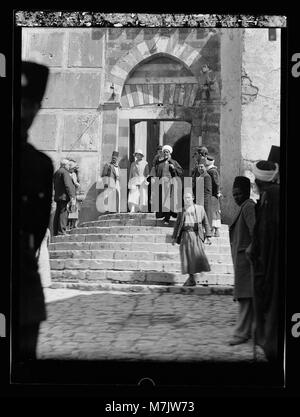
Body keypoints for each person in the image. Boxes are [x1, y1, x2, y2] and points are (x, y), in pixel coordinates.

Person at [18, 61, 54, 360]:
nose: (21, 113)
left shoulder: (40, 166)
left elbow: (38, 224)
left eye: (29, 105)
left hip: (21, 279)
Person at [248, 160, 280, 362]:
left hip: (271, 263)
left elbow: (268, 233)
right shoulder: (268, 196)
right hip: (266, 261)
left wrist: (256, 251)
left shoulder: (272, 197)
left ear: (258, 182)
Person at [228, 176, 256, 346]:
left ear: (246, 192)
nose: (236, 197)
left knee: (245, 298)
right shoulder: (244, 207)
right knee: (247, 298)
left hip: (246, 262)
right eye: (234, 194)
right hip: (241, 262)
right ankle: (252, 331)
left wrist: (249, 251)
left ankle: (241, 333)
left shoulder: (248, 207)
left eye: (239, 193)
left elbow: (255, 232)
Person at [172, 191, 212, 286]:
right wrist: (174, 237)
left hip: (196, 235)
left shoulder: (200, 209)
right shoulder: (182, 210)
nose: (186, 200)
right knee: (187, 257)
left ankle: (203, 277)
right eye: (185, 198)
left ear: (193, 198)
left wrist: (208, 236)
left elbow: (205, 222)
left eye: (188, 198)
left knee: (199, 255)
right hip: (185, 236)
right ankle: (191, 278)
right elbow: (177, 224)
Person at [149, 144, 183, 224]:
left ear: (170, 153)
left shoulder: (174, 162)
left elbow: (180, 172)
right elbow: (156, 171)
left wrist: (173, 168)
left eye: (167, 152)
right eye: (164, 152)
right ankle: (165, 217)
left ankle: (168, 218)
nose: (165, 153)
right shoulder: (159, 163)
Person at [53, 159, 76, 235]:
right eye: (68, 165)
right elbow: (68, 185)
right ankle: (62, 231)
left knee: (57, 214)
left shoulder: (57, 172)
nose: (69, 166)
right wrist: (72, 196)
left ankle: (56, 231)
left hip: (58, 196)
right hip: (64, 196)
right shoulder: (65, 172)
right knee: (63, 213)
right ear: (64, 165)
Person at [192, 156, 212, 229]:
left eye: (202, 167)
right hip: (199, 199)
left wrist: (201, 201)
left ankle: (208, 231)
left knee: (206, 216)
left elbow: (207, 191)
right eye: (199, 167)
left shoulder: (207, 176)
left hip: (204, 200)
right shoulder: (200, 176)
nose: (200, 169)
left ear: (205, 167)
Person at [206, 156, 222, 237]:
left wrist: (217, 192)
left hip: (213, 195)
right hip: (212, 194)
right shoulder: (209, 170)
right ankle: (214, 230)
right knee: (213, 211)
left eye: (207, 160)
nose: (205, 161)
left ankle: (214, 230)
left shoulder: (212, 171)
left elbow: (216, 183)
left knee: (214, 212)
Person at [67, 160, 81, 229]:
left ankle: (73, 225)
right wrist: (78, 185)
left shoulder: (74, 174)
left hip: (74, 193)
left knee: (75, 209)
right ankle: (71, 225)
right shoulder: (72, 174)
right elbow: (76, 183)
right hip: (72, 194)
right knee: (72, 209)